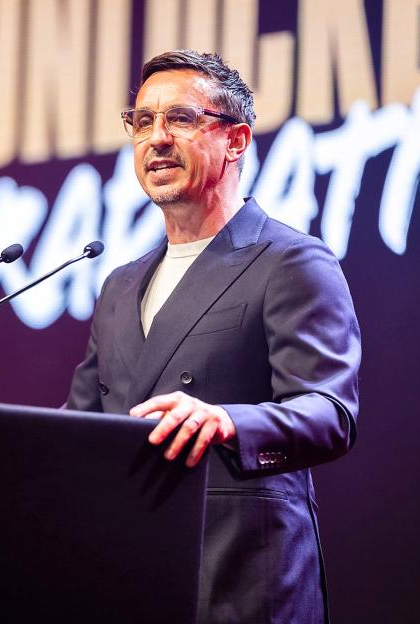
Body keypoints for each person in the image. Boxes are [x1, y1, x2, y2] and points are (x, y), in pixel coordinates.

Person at [66, 50, 360, 623]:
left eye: (180, 119)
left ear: (237, 139)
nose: (156, 139)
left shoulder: (290, 261)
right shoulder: (120, 286)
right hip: (131, 572)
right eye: (143, 121)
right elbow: (79, 427)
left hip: (241, 578)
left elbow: (331, 413)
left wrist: (228, 420)